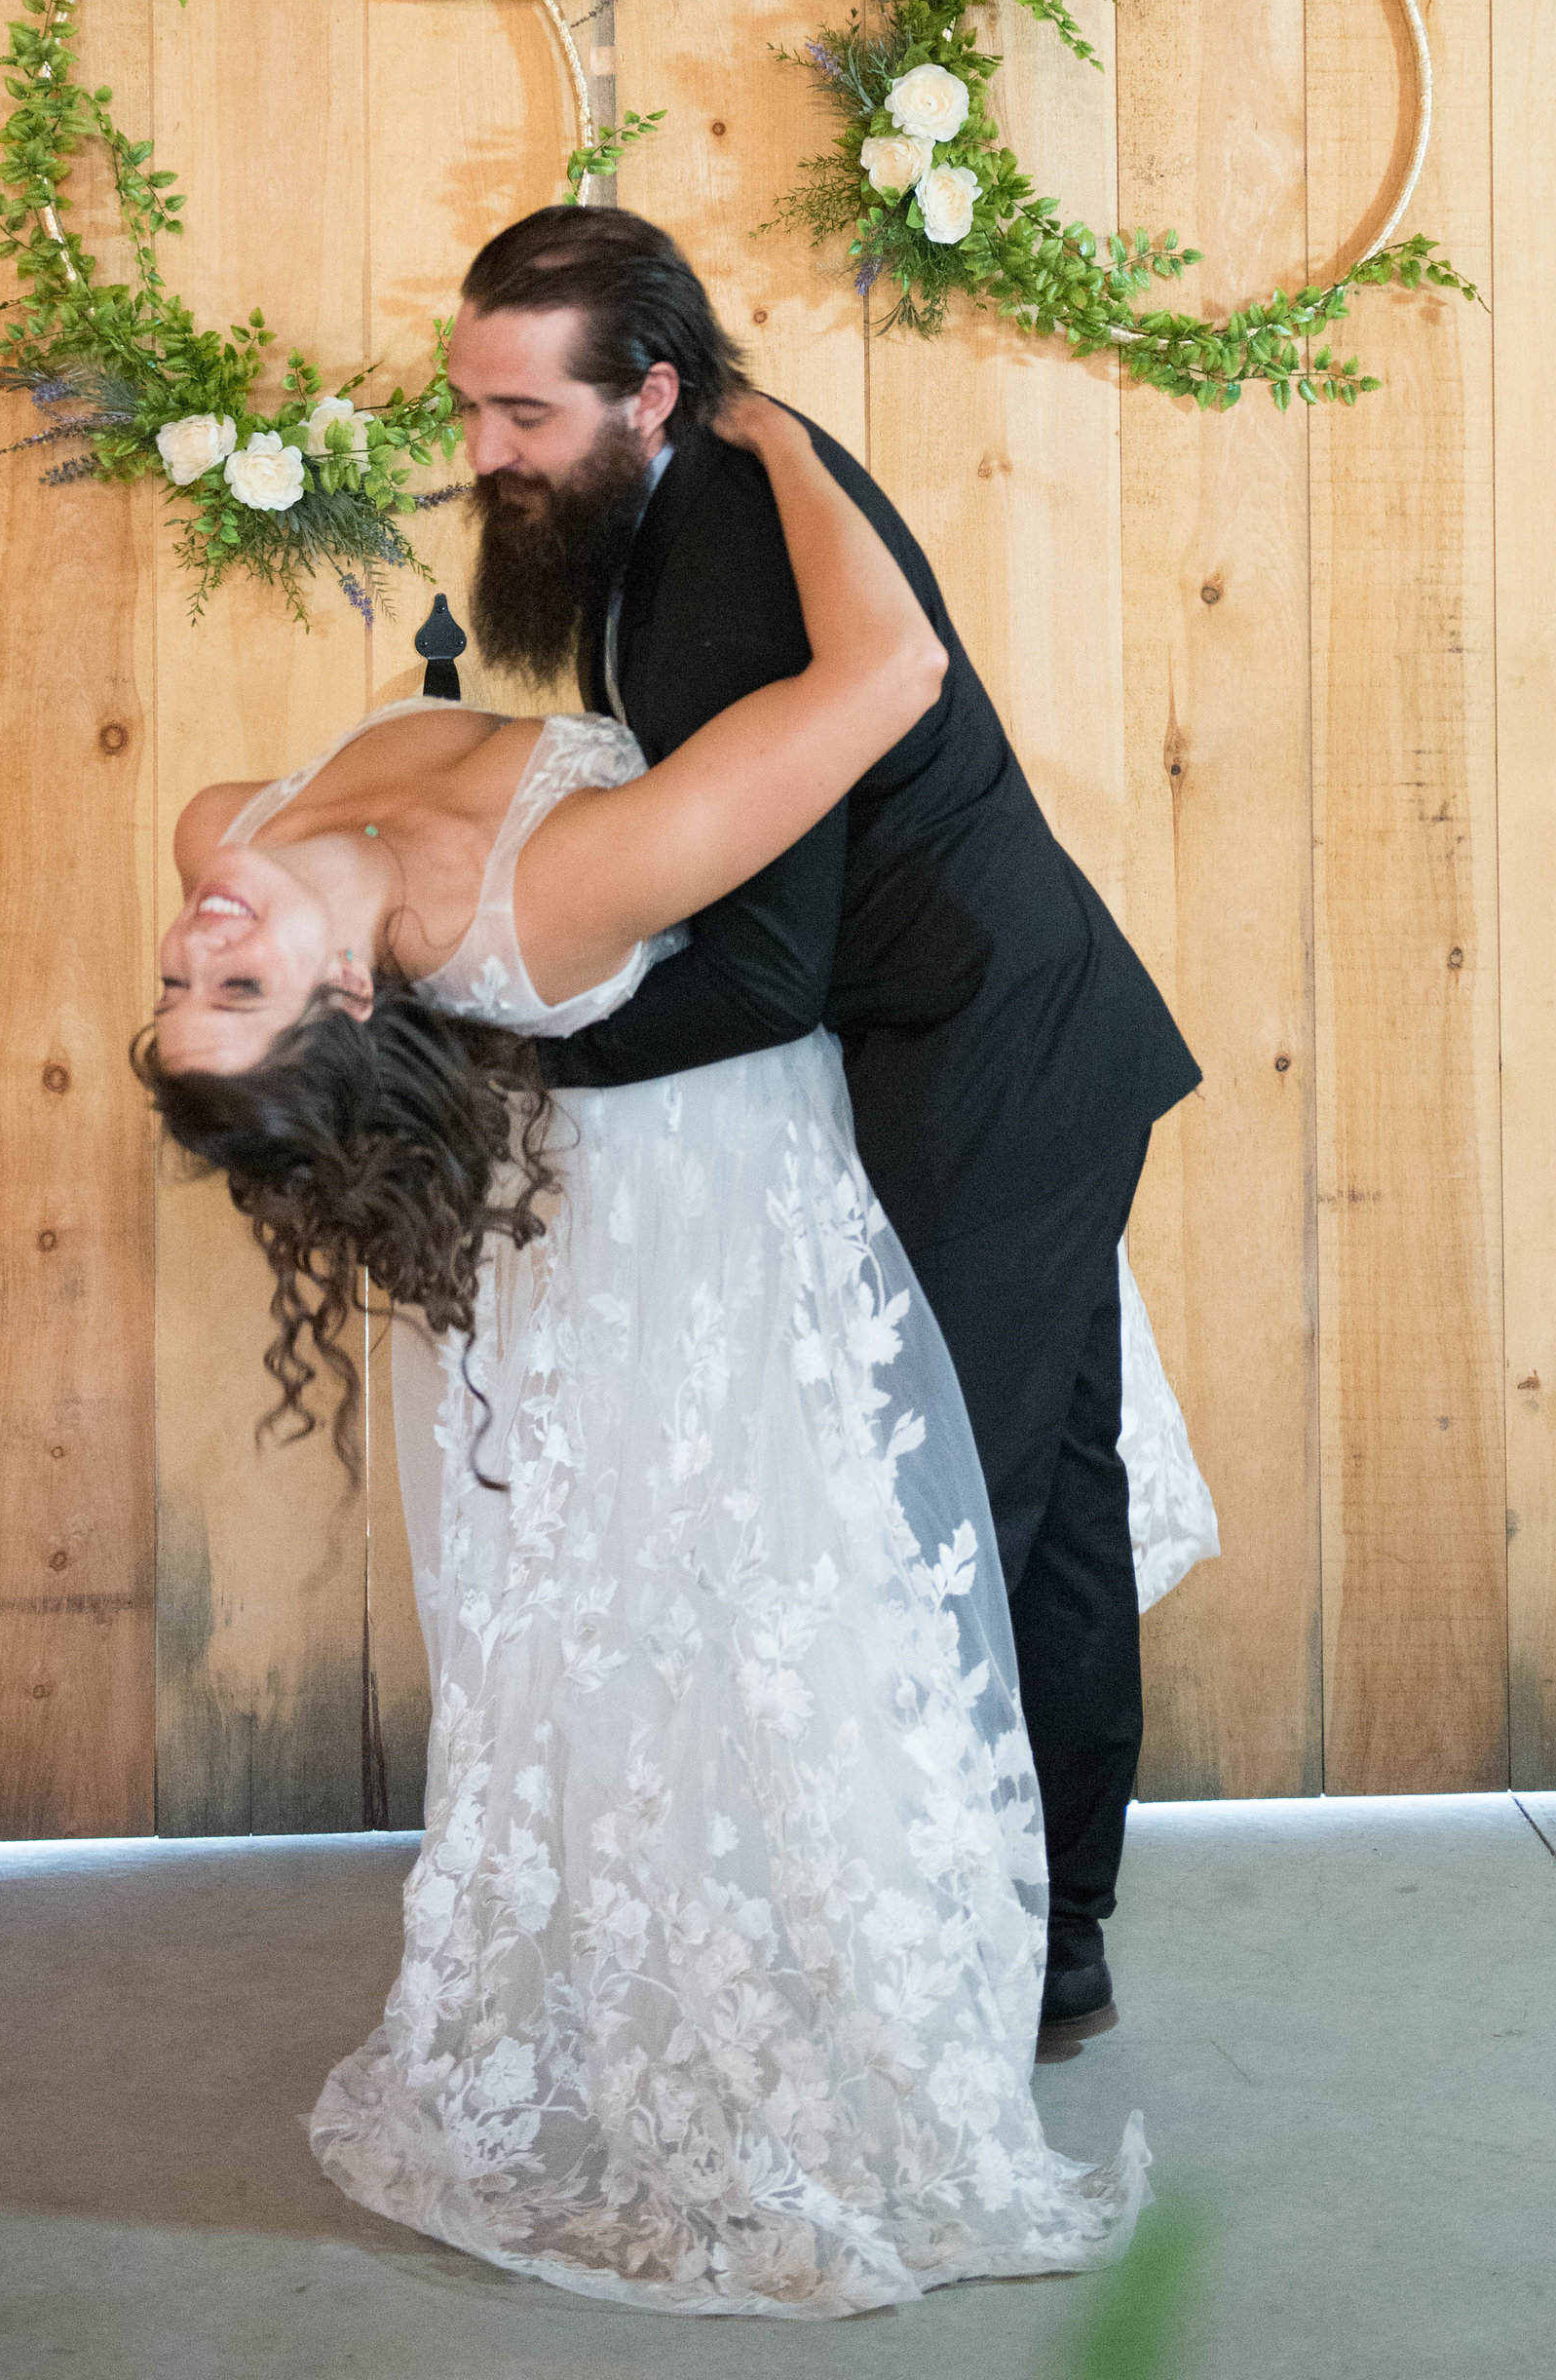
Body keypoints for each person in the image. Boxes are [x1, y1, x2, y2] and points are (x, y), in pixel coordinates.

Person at [142, 388, 1158, 2316]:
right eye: (239, 983)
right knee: (877, 1578)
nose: (198, 931)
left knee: (997, 1516)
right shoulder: (565, 891)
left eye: (187, 979)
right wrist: (781, 443)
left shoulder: (228, 828)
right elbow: (881, 678)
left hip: (736, 1150)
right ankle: (966, 1964)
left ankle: (1052, 1945)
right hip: (742, 1177)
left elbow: (283, 862)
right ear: (354, 997)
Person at [445, 208, 1207, 2046]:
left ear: (651, 392)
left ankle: (970, 1955)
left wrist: (515, 1065)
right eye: (469, 408)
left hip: (990, 1058)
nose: (484, 455)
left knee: (941, 1516)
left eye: (521, 419)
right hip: (992, 1040)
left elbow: (772, 972)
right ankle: (1051, 1940)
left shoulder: (735, 547)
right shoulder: (696, 486)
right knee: (1048, 1512)